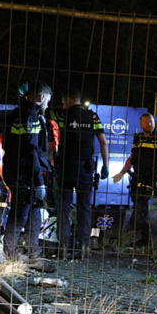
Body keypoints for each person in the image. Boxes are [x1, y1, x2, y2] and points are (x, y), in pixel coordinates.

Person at [1, 81, 53, 258]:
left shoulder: (18, 113)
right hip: (25, 174)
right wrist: (39, 181)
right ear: (41, 97)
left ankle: (34, 255)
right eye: (48, 100)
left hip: (21, 171)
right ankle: (11, 256)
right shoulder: (30, 116)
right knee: (19, 216)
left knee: (34, 216)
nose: (48, 104)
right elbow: (31, 151)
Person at [55, 88, 109, 257]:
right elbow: (103, 142)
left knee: (63, 207)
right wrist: (105, 166)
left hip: (65, 167)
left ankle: (63, 246)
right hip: (85, 168)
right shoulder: (93, 116)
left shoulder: (61, 116)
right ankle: (83, 247)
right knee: (83, 207)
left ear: (68, 100)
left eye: (64, 102)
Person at [113, 113, 157, 247]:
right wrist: (121, 173)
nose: (149, 124)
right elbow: (131, 159)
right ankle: (146, 240)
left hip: (149, 179)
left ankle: (128, 236)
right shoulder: (138, 138)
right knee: (141, 209)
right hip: (136, 178)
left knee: (139, 209)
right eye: (145, 122)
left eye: (151, 122)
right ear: (140, 124)